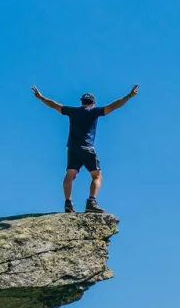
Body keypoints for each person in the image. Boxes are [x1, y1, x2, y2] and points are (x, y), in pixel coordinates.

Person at [31, 84, 139, 213]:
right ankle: (91, 202)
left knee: (70, 174)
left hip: (72, 149)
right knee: (97, 176)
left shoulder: (72, 111)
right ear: (93, 103)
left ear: (82, 102)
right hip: (87, 148)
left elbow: (53, 105)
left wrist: (40, 97)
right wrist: (129, 96)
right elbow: (113, 106)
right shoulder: (94, 111)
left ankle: (68, 202)